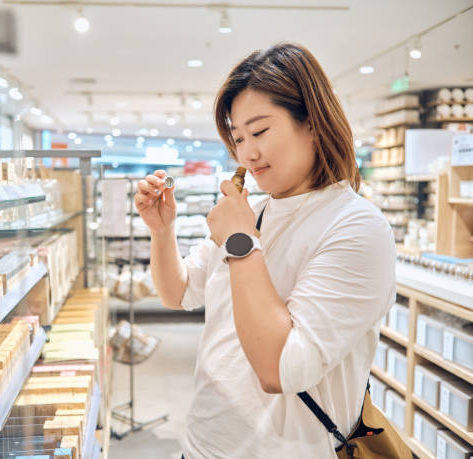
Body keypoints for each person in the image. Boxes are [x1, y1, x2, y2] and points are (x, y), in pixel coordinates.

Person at [134, 42, 395, 459]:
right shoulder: (252, 213)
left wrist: (240, 244)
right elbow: (179, 293)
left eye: (259, 132)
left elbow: (278, 369)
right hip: (202, 445)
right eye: (237, 138)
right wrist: (161, 232)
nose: (246, 154)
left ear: (311, 122)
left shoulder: (356, 227)